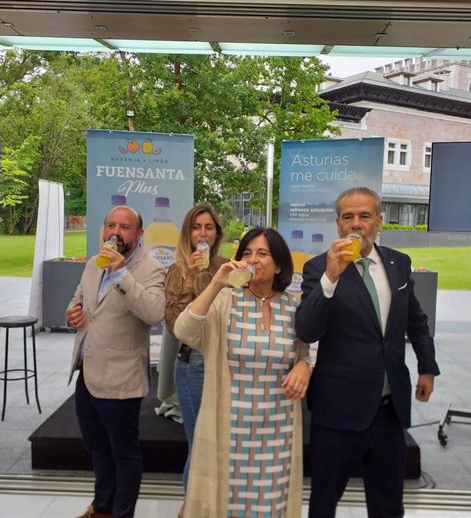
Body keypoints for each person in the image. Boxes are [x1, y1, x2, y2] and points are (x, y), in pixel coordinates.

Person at [295, 187, 440, 518]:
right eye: (348, 217)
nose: (356, 224)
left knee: (388, 505)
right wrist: (331, 278)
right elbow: (306, 330)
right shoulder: (319, 269)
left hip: (389, 411)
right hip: (338, 412)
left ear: (379, 222)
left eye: (364, 216)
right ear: (338, 224)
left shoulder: (398, 263)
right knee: (324, 503)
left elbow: (416, 322)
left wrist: (427, 367)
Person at [173, 227, 311, 518]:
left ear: (280, 265)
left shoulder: (294, 307)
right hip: (230, 432)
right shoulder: (226, 302)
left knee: (273, 507)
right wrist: (216, 284)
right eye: (247, 253)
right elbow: (183, 330)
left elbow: (304, 353)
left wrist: (303, 366)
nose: (253, 259)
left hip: (278, 435)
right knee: (227, 505)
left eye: (263, 254)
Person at [65, 205, 166, 518]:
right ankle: (102, 507)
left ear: (138, 234)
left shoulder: (150, 269)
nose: (115, 233)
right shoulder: (96, 262)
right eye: (111, 225)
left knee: (124, 454)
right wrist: (71, 314)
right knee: (97, 448)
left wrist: (121, 272)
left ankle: (122, 514)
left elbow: (154, 313)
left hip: (122, 380)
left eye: (124, 227)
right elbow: (79, 298)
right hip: (88, 374)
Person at [163, 203, 229, 518]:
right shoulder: (176, 270)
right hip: (194, 367)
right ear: (188, 233)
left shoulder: (227, 267)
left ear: (216, 233)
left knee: (222, 447)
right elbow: (175, 326)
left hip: (227, 364)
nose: (202, 233)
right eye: (196, 227)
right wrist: (190, 281)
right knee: (200, 445)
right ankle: (190, 509)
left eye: (208, 227)